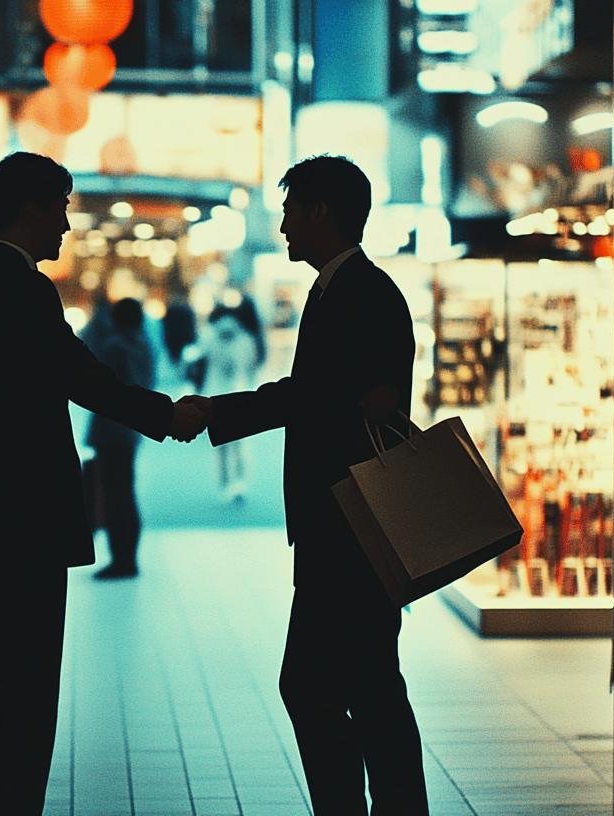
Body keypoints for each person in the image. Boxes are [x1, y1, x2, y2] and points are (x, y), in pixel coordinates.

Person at [0, 152, 206, 814]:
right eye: (60, 205)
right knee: (25, 685)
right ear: (29, 208)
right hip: (25, 518)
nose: (65, 221)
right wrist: (165, 415)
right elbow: (80, 377)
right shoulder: (22, 289)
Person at [182, 155, 429, 815]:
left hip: (354, 523)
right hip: (345, 521)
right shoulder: (341, 289)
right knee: (369, 684)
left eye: (291, 210)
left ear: (321, 212)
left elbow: (319, 397)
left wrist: (218, 410)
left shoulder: (362, 293)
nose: (283, 224)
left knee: (319, 686)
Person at [86, 297, 155, 578]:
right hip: (130, 430)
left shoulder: (113, 346)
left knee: (115, 494)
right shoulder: (143, 343)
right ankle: (128, 556)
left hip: (110, 429)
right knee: (125, 491)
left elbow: (103, 388)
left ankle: (121, 559)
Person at [201, 305, 261, 503]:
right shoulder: (245, 339)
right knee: (240, 445)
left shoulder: (209, 337)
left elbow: (198, 360)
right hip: (240, 395)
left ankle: (224, 484)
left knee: (220, 446)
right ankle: (240, 483)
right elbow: (253, 365)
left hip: (213, 395)